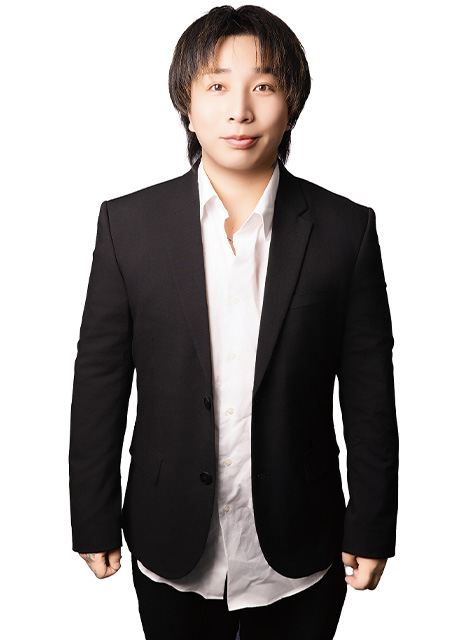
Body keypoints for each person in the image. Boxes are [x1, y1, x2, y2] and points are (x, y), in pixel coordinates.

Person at [69, 5, 399, 639]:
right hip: (167, 532)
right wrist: (92, 514)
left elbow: (370, 395)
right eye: (217, 85)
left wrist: (373, 523)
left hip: (304, 538)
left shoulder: (345, 230)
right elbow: (99, 382)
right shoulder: (127, 226)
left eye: (264, 85)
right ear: (186, 104)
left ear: (291, 104)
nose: (239, 110)